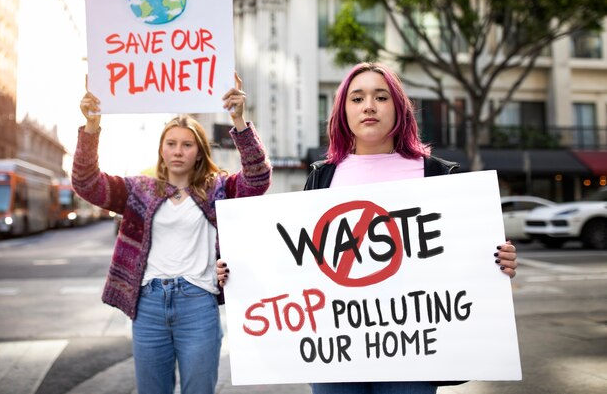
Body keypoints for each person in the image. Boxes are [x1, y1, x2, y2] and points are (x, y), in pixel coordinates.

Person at [216, 62, 517, 394]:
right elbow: (294, 262)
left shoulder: (436, 175)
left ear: (399, 108)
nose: (369, 106)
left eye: (381, 97)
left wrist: (497, 261)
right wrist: (239, 272)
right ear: (343, 112)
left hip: (414, 350)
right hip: (335, 348)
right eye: (357, 98)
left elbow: (462, 258)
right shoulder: (323, 176)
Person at [73, 73, 272, 394]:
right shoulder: (140, 189)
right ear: (162, 150)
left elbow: (258, 178)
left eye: (187, 144)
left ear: (199, 151)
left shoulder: (218, 188)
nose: (178, 150)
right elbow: (87, 184)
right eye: (171, 143)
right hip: (148, 306)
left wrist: (238, 120)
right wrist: (92, 127)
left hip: (198, 305)